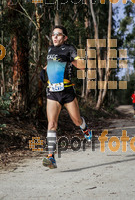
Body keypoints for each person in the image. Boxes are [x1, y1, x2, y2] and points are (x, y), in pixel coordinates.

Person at [40, 25, 92, 169]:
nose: (55, 37)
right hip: (52, 92)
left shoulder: (69, 48)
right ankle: (51, 156)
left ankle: (85, 127)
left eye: (58, 34)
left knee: (76, 120)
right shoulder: (50, 49)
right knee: (51, 124)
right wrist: (43, 70)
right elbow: (51, 63)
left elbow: (82, 65)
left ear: (65, 37)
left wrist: (69, 59)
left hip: (67, 91)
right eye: (53, 34)